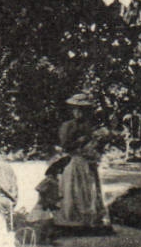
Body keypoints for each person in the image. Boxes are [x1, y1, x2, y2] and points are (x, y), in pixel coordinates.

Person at [48, 93, 112, 234]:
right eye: (76, 109)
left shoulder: (91, 127)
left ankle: (89, 220)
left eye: (82, 109)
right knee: (73, 188)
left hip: (88, 161)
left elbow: (98, 145)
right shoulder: (68, 126)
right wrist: (80, 141)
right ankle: (72, 219)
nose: (78, 112)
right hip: (74, 160)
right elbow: (65, 145)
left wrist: (95, 146)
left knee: (90, 188)